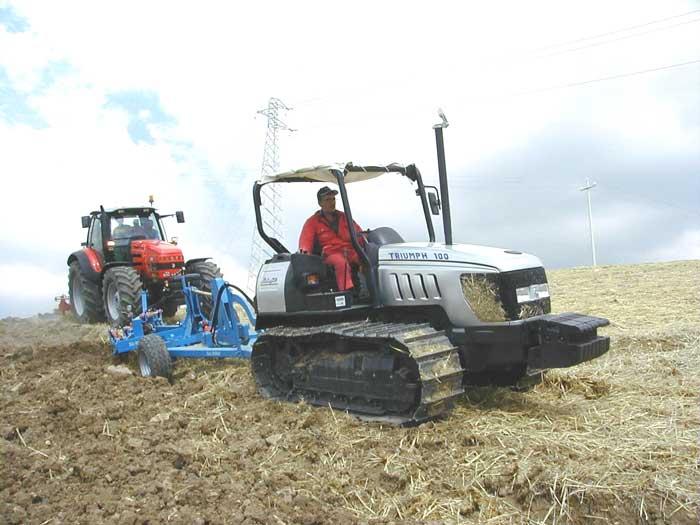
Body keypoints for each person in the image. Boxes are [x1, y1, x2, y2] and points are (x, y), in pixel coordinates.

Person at [298, 186, 365, 292]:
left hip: (350, 251)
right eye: (328, 200)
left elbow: (359, 234)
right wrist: (305, 256)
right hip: (331, 254)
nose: (332, 202)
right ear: (320, 203)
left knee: (367, 260)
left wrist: (366, 247)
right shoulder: (312, 222)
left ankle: (372, 291)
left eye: (333, 199)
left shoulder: (345, 217)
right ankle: (346, 293)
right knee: (341, 263)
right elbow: (305, 242)